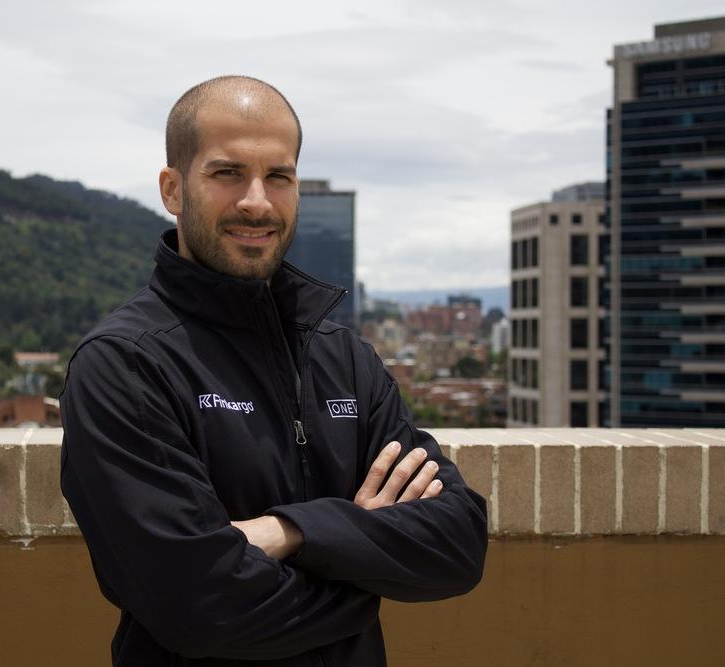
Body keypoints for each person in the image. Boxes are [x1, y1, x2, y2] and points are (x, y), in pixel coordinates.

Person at [60, 75, 488, 666]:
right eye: (227, 172)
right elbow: (202, 608)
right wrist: (365, 570)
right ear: (173, 188)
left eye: (279, 177)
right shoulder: (126, 365)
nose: (257, 201)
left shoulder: (343, 358)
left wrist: (289, 532)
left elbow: (458, 545)